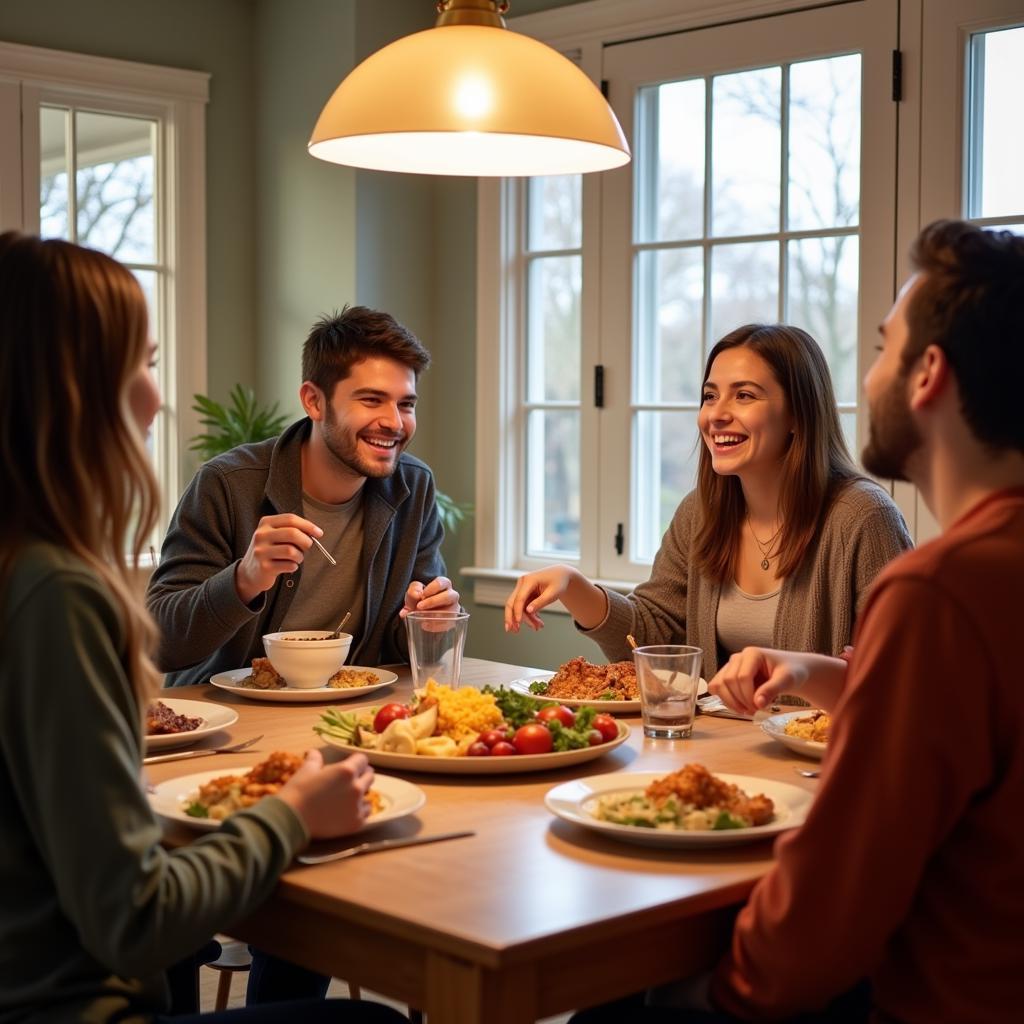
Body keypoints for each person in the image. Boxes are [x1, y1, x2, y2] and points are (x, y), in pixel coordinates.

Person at [574, 219, 1024, 1022]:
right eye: (711, 393)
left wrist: (718, 993)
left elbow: (843, 886)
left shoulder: (935, 591)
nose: (870, 370)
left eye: (884, 346)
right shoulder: (970, 583)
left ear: (929, 375)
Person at [0, 232, 407, 1024]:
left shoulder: (25, 569)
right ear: (68, 387)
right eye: (142, 363)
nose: (157, 396)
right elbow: (136, 917)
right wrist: (291, 815)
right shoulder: (55, 592)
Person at [505, 324, 911, 678]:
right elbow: (651, 641)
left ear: (797, 416)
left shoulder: (863, 518)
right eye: (710, 396)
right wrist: (573, 586)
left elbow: (904, 672)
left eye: (744, 396)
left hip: (819, 758)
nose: (715, 415)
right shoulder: (698, 513)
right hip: (717, 749)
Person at [147, 305, 459, 688]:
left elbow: (404, 646)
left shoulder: (413, 486)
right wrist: (243, 581)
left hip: (347, 717)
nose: (394, 422)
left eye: (406, 404)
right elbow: (157, 642)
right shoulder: (227, 483)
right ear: (313, 401)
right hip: (231, 718)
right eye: (372, 400)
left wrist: (427, 622)